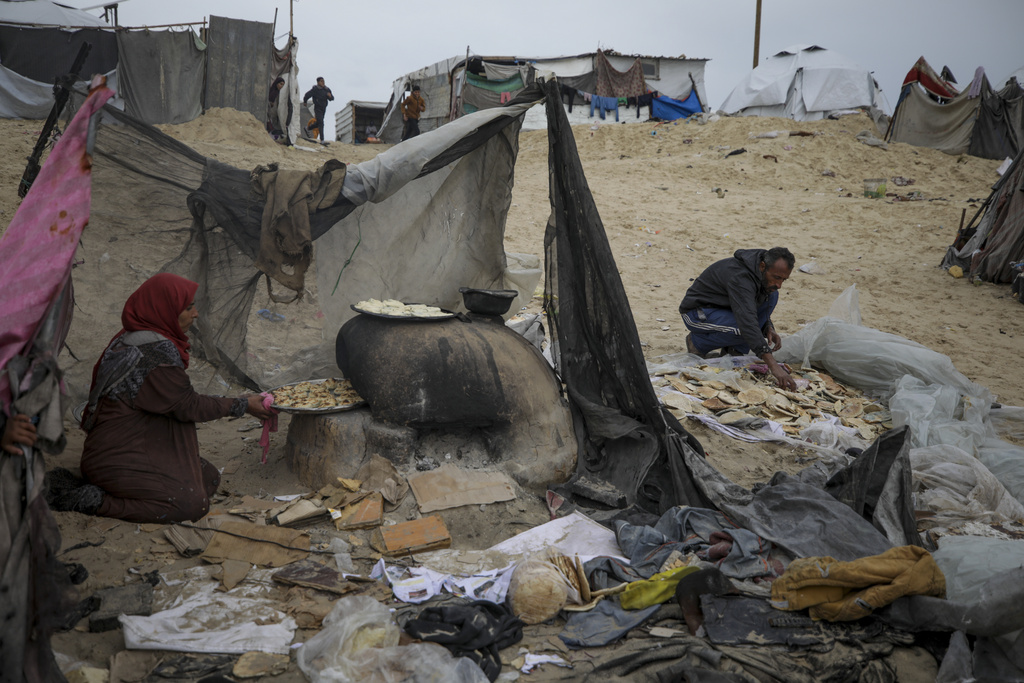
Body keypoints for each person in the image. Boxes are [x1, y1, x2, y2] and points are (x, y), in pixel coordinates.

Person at [50, 273, 273, 523]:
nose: (196, 314)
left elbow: (177, 402)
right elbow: (187, 405)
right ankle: (95, 501)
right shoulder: (154, 353)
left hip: (137, 441)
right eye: (188, 308)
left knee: (208, 478)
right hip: (117, 456)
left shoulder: (138, 336)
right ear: (166, 309)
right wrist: (242, 404)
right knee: (191, 505)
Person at [679, 247, 797, 390]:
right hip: (697, 313)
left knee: (772, 294)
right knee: (744, 330)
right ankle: (696, 343)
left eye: (784, 279)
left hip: (727, 309)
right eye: (777, 277)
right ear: (762, 266)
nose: (779, 284)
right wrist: (773, 365)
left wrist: (768, 327)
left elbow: (753, 309)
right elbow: (747, 323)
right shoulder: (741, 277)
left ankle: (734, 350)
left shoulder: (761, 276)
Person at [302, 77, 334, 143]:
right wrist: (305, 101)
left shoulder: (327, 89)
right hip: (317, 108)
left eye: (323, 81)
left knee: (318, 123)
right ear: (318, 82)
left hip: (324, 108)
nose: (323, 82)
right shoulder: (315, 89)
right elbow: (307, 95)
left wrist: (330, 96)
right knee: (321, 123)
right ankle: (322, 140)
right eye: (321, 81)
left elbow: (332, 98)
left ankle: (307, 128)